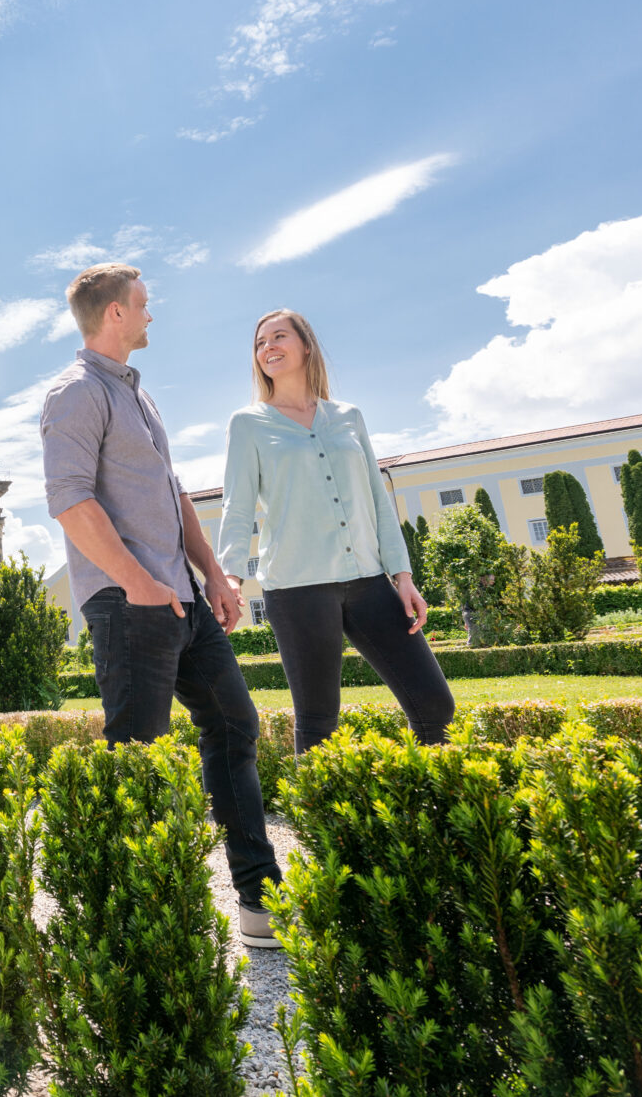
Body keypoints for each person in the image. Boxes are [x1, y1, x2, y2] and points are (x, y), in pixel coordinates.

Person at [41, 263, 282, 951]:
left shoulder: (140, 398)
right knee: (135, 762)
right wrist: (137, 581)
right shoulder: (76, 393)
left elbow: (175, 498)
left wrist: (212, 575)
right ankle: (127, 930)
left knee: (235, 723)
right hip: (130, 603)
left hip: (182, 598)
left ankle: (259, 897)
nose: (152, 314)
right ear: (114, 313)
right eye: (143, 305)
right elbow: (70, 502)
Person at [217, 309, 455, 754]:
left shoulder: (348, 416)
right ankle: (320, 821)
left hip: (369, 582)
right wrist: (230, 576)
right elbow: (238, 506)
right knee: (319, 720)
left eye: (278, 336)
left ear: (306, 345)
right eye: (259, 342)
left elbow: (377, 499)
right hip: (297, 588)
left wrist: (402, 576)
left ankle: (433, 806)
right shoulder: (247, 424)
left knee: (434, 703)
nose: (267, 347)